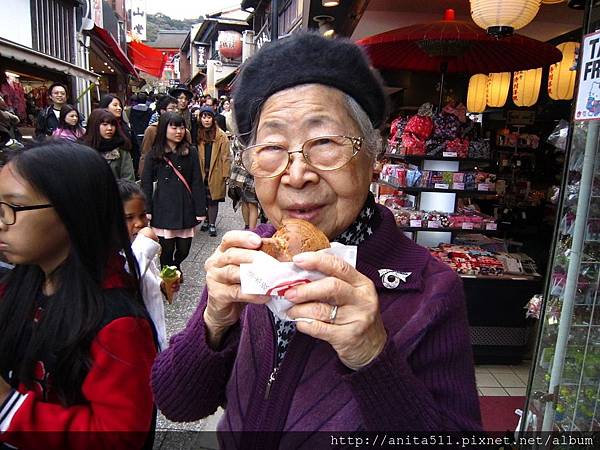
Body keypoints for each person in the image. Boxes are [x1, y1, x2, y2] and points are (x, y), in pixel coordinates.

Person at [151, 33, 482, 440]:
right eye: (272, 146)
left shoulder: (429, 290)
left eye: (324, 142)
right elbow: (177, 403)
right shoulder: (251, 258)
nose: (296, 174)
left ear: (373, 155)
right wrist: (214, 322)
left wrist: (372, 357)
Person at [0, 142, 157, 449]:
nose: (2, 223)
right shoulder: (17, 284)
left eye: (12, 209)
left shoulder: (117, 323)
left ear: (73, 211)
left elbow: (119, 436)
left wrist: (10, 408)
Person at [141, 112, 206, 280]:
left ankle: (176, 265)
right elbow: (146, 183)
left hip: (185, 206)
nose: (179, 131)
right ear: (164, 128)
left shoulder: (190, 152)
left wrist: (200, 209)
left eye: (182, 127)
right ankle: (167, 275)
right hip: (163, 207)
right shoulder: (154, 153)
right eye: (174, 127)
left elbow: (197, 181)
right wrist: (147, 209)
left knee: (184, 249)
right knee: (166, 249)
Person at [117, 179, 172, 351]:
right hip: (135, 344)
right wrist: (146, 243)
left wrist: (162, 285)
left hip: (155, 338)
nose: (139, 223)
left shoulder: (135, 244)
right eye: (129, 218)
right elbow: (129, 278)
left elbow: (147, 277)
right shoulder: (114, 256)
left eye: (142, 215)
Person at [196, 106, 230, 237]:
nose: (206, 120)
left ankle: (212, 224)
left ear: (213, 118)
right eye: (204, 117)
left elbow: (226, 156)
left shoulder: (221, 135)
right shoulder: (198, 133)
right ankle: (206, 221)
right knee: (202, 198)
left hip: (215, 171)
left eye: (209, 117)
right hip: (200, 170)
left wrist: (225, 174)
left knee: (213, 199)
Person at [138, 96, 191, 177]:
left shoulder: (185, 132)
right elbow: (145, 155)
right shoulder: (152, 130)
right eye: (172, 108)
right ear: (162, 111)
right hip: (158, 174)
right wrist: (144, 177)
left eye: (177, 107)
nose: (176, 110)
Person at [81, 109, 135, 181]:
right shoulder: (82, 149)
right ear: (95, 126)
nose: (109, 128)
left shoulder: (121, 148)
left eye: (112, 125)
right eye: (105, 124)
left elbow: (128, 179)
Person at [229, 137, 258, 230]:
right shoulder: (254, 135)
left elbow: (233, 150)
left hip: (238, 174)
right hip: (249, 174)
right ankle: (251, 230)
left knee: (246, 202)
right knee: (251, 203)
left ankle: (248, 228)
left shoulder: (239, 135)